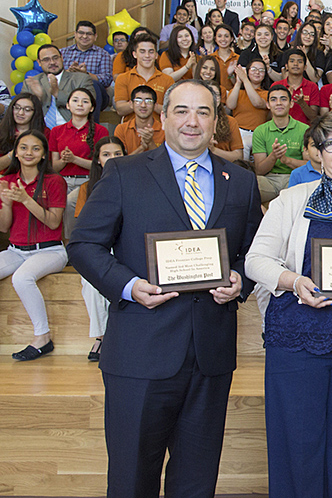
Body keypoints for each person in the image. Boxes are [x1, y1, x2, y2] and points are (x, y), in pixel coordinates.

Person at [68, 79, 263, 498]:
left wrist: (240, 280)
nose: (192, 122)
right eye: (181, 111)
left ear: (216, 121)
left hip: (210, 355)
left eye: (203, 112)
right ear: (163, 116)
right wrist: (129, 284)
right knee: (132, 476)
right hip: (141, 351)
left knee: (196, 479)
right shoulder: (124, 172)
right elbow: (83, 244)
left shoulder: (241, 181)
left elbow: (252, 252)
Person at [245, 111, 332, 498]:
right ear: (317, 154)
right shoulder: (291, 200)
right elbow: (255, 261)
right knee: (299, 450)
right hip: (297, 342)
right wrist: (295, 282)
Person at [0, 130, 68, 361]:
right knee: (18, 271)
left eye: (35, 148)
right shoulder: (7, 181)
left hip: (50, 250)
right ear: (16, 153)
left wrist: (26, 200)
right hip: (15, 250)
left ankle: (43, 337)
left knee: (22, 278)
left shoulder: (54, 181)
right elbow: (3, 227)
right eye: (24, 148)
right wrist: (7, 204)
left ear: (43, 155)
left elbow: (53, 222)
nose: (29, 152)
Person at [73, 135, 126, 362]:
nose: (112, 159)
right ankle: (103, 336)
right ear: (97, 160)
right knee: (90, 282)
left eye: (117, 154)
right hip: (101, 248)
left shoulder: (137, 182)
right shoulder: (88, 188)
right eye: (106, 154)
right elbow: (85, 232)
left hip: (127, 246)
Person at [252, 86, 309, 204]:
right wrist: (273, 156)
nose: (278, 103)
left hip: (294, 177)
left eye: (283, 99)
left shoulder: (304, 129)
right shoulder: (260, 131)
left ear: (291, 103)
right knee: (248, 185)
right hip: (269, 179)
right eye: (273, 100)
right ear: (268, 105)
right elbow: (259, 170)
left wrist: (287, 160)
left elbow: (310, 166)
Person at [25, 44, 99, 129]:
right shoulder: (32, 82)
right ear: (39, 62)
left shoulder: (81, 79)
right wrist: (38, 98)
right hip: (40, 131)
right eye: (46, 60)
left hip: (71, 129)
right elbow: (24, 110)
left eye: (55, 58)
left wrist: (57, 93)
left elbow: (90, 102)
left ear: (62, 58)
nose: (52, 62)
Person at [114, 33, 173, 116]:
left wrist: (148, 103)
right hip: (132, 127)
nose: (147, 55)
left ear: (156, 55)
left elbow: (171, 111)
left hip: (159, 128)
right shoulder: (123, 78)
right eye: (142, 52)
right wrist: (142, 102)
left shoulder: (168, 80)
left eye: (151, 52)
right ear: (134, 54)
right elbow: (120, 109)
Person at [61, 20, 113, 106]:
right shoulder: (62, 52)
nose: (84, 36)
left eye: (89, 34)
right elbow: (54, 75)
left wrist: (86, 75)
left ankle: (92, 119)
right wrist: (68, 73)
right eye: (81, 33)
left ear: (95, 36)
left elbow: (107, 79)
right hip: (68, 90)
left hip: (92, 92)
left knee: (95, 85)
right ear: (75, 34)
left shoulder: (103, 54)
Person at [226, 60, 270, 160]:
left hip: (258, 133)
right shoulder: (239, 92)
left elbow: (257, 103)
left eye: (261, 70)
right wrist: (238, 82)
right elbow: (230, 105)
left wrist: (245, 79)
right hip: (238, 131)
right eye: (254, 69)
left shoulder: (267, 94)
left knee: (247, 144)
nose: (257, 72)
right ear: (248, 71)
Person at [272, 50, 321, 125]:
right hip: (281, 131)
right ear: (286, 66)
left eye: (300, 62)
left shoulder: (312, 86)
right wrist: (285, 100)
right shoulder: (277, 86)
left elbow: (314, 117)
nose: (295, 64)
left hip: (305, 132)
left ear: (305, 67)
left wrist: (302, 103)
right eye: (292, 61)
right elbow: (271, 114)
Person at [0, 93, 47, 171]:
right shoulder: (2, 130)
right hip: (6, 178)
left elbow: (47, 165)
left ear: (35, 112)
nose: (20, 113)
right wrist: (16, 150)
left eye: (27, 110)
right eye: (17, 108)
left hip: (36, 178)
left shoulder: (45, 132)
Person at [113, 85, 165, 155]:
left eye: (148, 101)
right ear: (131, 104)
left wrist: (150, 142)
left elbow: (164, 163)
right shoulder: (121, 129)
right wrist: (142, 147)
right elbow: (121, 162)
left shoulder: (164, 130)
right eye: (138, 101)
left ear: (155, 105)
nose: (143, 105)